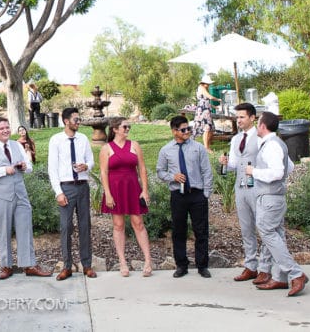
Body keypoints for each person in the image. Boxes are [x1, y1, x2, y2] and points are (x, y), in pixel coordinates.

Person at [0, 117, 51, 280]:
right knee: (4, 231)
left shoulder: (17, 145)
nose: (5, 131)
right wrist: (4, 170)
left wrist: (25, 167)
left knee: (25, 228)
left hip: (20, 194)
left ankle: (29, 264)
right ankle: (6, 266)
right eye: (1, 128)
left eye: (7, 127)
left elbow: (29, 166)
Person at [246, 111, 308, 296]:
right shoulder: (278, 144)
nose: (257, 126)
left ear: (263, 126)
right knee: (277, 235)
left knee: (267, 232)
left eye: (258, 123)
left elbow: (278, 173)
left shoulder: (272, 146)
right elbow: (290, 167)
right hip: (276, 197)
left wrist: (254, 172)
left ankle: (296, 273)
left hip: (270, 197)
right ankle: (279, 278)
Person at [156, 115, 213, 278]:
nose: (187, 131)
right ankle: (181, 265)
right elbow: (160, 171)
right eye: (183, 129)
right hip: (178, 195)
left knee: (201, 230)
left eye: (189, 128)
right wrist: (172, 177)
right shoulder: (166, 150)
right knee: (178, 231)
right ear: (174, 131)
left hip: (197, 195)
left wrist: (206, 193)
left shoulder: (198, 148)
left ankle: (202, 265)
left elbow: (206, 171)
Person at [100, 116, 153, 277]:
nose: (127, 129)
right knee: (118, 225)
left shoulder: (135, 145)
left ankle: (148, 261)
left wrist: (144, 190)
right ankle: (122, 262)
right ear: (115, 129)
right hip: (115, 189)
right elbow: (103, 172)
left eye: (128, 127)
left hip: (132, 187)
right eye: (124, 127)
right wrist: (107, 194)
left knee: (138, 223)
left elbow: (142, 169)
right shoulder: (106, 148)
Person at [48, 107, 95, 280]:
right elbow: (52, 169)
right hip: (66, 187)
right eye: (76, 119)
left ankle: (87, 265)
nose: (79, 122)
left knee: (85, 226)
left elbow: (91, 160)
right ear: (66, 121)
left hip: (82, 186)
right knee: (66, 227)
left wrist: (87, 166)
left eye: (79, 119)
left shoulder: (83, 139)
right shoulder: (56, 140)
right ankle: (67, 266)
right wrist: (58, 192)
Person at [219, 102, 262, 281]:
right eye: (237, 117)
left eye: (242, 117)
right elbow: (234, 165)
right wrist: (225, 163)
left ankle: (266, 268)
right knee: (246, 229)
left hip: (259, 188)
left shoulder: (261, 138)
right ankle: (251, 266)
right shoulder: (236, 139)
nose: (239, 120)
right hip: (241, 187)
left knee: (263, 227)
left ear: (253, 117)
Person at [194, 76, 219, 151]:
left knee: (210, 129)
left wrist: (215, 107)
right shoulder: (201, 87)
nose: (209, 85)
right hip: (203, 110)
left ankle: (207, 145)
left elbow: (206, 101)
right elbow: (210, 97)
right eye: (208, 84)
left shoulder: (203, 88)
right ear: (204, 83)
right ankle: (206, 148)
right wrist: (218, 99)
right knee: (207, 128)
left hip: (205, 109)